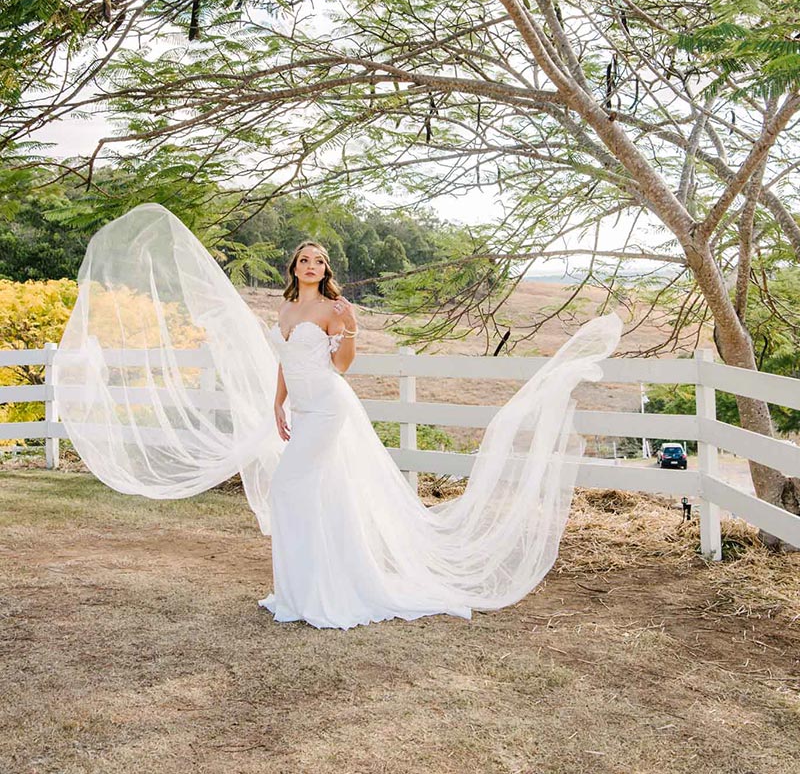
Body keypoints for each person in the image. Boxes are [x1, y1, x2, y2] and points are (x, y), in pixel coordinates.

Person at [54, 203, 623, 632]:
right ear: (293, 267)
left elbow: (341, 366)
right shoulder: (284, 307)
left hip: (328, 407)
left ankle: (331, 594)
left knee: (289, 488)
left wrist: (349, 329)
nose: (310, 265)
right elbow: (285, 360)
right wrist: (276, 402)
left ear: (325, 270)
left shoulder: (332, 309)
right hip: (298, 404)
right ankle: (300, 593)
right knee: (313, 495)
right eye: (304, 259)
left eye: (318, 261)